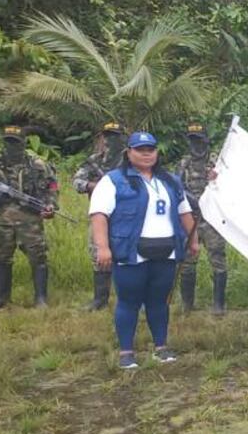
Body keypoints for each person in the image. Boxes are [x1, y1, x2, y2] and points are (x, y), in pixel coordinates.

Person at [88, 132, 198, 369]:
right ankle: (126, 351)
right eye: (140, 150)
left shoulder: (170, 181)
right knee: (129, 301)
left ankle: (161, 347)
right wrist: (103, 247)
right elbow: (99, 215)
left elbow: (184, 212)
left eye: (151, 149)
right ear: (129, 152)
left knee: (159, 301)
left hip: (166, 250)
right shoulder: (114, 180)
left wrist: (193, 240)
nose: (146, 154)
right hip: (130, 250)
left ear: (157, 153)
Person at [0, 124, 58, 309]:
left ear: (23, 143)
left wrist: (50, 205)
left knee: (38, 256)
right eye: (8, 142)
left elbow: (52, 186)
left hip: (30, 219)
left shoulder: (36, 165)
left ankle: (41, 298)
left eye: (16, 143)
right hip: (0, 219)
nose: (11, 147)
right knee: (0, 257)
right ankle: (1, 297)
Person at [176, 121, 229, 314]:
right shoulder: (184, 163)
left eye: (199, 141)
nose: (196, 145)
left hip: (212, 220)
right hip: (191, 218)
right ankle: (187, 305)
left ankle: (218, 305)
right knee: (188, 261)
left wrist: (217, 179)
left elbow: (228, 188)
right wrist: (191, 201)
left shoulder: (217, 162)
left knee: (218, 260)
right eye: (192, 141)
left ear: (206, 140)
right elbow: (177, 188)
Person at [73, 121, 125, 310]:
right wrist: (94, 186)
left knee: (129, 256)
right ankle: (100, 300)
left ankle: (130, 299)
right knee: (98, 255)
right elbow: (77, 181)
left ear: (122, 138)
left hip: (127, 215)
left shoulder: (130, 160)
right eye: (108, 136)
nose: (111, 140)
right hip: (100, 216)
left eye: (115, 136)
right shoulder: (94, 161)